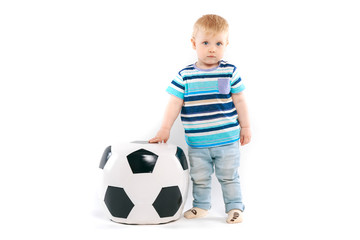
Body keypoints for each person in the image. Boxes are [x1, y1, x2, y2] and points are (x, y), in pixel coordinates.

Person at [149, 14, 251, 224]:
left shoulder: (230, 71)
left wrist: (246, 126)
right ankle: (201, 206)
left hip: (227, 140)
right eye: (205, 43)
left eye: (218, 43)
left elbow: (240, 101)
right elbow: (174, 103)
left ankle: (234, 208)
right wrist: (165, 128)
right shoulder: (184, 75)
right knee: (200, 178)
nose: (212, 48)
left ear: (226, 44)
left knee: (229, 177)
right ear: (194, 43)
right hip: (198, 143)